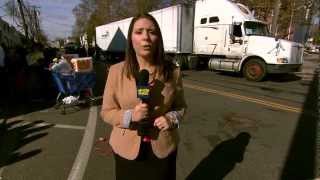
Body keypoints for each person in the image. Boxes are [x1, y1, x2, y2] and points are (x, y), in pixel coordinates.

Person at [100, 13, 187, 180]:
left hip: (163, 148)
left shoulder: (173, 72)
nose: (146, 37)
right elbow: (106, 111)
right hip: (126, 150)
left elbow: (181, 107)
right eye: (139, 32)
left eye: (151, 32)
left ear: (158, 38)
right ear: (130, 39)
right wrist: (130, 115)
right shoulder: (116, 71)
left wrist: (171, 118)